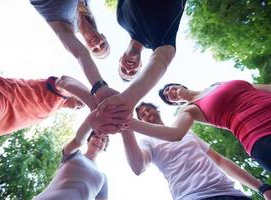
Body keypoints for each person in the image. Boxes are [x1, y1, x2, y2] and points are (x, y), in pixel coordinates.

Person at [121, 102, 271, 200]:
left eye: (148, 109)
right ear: (140, 121)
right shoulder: (147, 141)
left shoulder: (187, 133)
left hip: (232, 193)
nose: (147, 114)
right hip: (193, 196)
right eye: (142, 115)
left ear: (156, 109)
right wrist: (125, 127)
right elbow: (138, 167)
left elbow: (220, 161)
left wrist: (262, 187)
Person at [97, 0, 186, 124]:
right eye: (133, 72)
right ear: (141, 65)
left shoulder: (121, 19)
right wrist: (128, 97)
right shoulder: (159, 41)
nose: (128, 68)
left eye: (123, 69)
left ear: (120, 59)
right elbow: (163, 58)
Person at [30, 0, 116, 103]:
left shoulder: (68, 30)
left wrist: (100, 88)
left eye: (95, 49)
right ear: (103, 37)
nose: (97, 44)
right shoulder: (86, 5)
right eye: (102, 44)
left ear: (87, 48)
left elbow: (80, 54)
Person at [0, 71, 95, 141]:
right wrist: (92, 101)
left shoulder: (55, 106)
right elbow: (65, 80)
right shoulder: (59, 93)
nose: (81, 105)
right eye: (82, 101)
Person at [34, 109, 109, 200]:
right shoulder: (74, 154)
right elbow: (78, 140)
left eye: (103, 140)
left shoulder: (102, 178)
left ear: (105, 147)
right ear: (89, 139)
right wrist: (95, 116)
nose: (99, 140)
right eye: (96, 136)